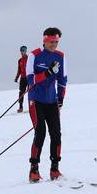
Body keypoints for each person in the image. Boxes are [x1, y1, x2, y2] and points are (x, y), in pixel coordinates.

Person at [26, 27, 67, 182]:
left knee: (56, 133)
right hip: (35, 100)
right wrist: (48, 73)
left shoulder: (60, 56)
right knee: (41, 132)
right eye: (51, 42)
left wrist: (61, 98)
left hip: (52, 101)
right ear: (45, 41)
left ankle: (54, 169)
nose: (54, 45)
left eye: (56, 42)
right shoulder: (34, 55)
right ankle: (34, 170)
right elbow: (30, 80)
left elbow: (63, 80)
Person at [14, 45, 29, 113]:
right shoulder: (20, 60)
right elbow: (19, 70)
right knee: (21, 92)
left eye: (24, 50)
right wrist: (16, 77)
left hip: (29, 78)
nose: (23, 52)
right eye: (22, 50)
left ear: (26, 51)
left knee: (31, 91)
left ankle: (32, 105)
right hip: (22, 78)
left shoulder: (29, 58)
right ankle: (20, 106)